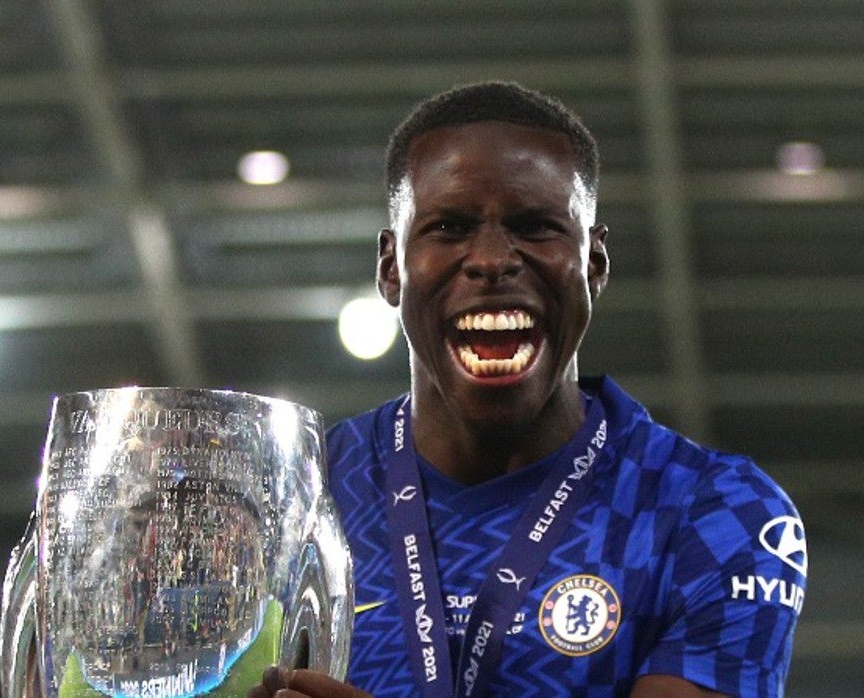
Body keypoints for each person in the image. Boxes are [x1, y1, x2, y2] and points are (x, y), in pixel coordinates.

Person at [249, 81, 807, 697]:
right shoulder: (298, 502)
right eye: (450, 226)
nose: (491, 259)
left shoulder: (713, 511)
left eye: (537, 227)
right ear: (391, 267)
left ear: (594, 265)